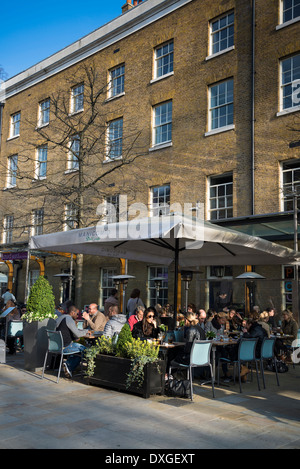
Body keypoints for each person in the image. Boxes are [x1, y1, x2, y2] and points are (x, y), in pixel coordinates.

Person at [56, 305, 92, 378]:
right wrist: (87, 331)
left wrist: (73, 337)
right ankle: (69, 365)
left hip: (56, 346)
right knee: (85, 350)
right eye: (77, 314)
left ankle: (69, 364)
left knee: (77, 348)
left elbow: (64, 331)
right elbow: (78, 334)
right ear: (72, 312)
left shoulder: (60, 317)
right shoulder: (69, 319)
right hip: (65, 346)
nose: (78, 316)